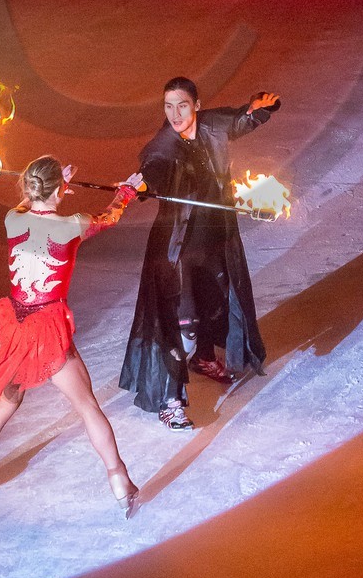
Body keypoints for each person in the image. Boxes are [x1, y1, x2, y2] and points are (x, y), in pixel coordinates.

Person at [0, 155, 143, 515]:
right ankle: (118, 477)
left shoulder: (12, 218)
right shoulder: (73, 224)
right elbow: (109, 217)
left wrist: (50, 187)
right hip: (46, 329)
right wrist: (127, 192)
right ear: (60, 188)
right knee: (86, 405)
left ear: (29, 187)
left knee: (9, 397)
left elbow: (27, 204)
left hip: (13, 326)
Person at [120, 77, 280, 430]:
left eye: (181, 105)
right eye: (168, 106)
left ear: (196, 104)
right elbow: (155, 167)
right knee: (182, 324)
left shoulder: (210, 124)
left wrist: (258, 109)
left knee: (214, 305)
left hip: (215, 240)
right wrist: (143, 184)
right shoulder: (165, 142)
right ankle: (170, 397)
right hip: (178, 249)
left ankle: (203, 359)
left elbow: (238, 120)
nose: (175, 113)